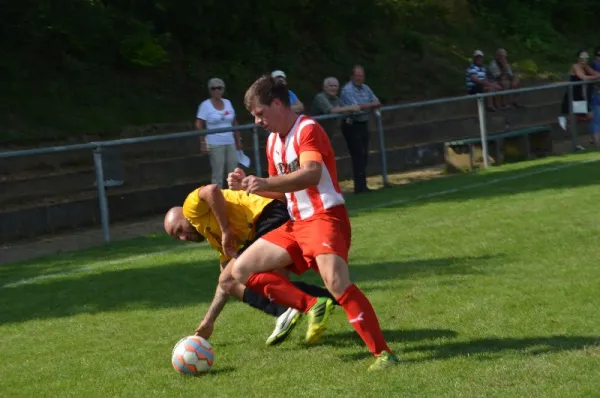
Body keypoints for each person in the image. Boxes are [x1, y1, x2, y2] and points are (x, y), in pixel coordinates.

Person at [227, 75, 399, 371]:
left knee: (336, 282)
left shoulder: (307, 129)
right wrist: (246, 186)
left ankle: (384, 354)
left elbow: (310, 173)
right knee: (240, 270)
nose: (257, 121)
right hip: (297, 224)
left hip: (325, 217)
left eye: (259, 113)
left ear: (278, 104)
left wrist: (263, 180)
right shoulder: (272, 142)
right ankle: (310, 304)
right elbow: (282, 190)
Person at [164, 184, 338, 345]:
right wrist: (208, 322)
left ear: (183, 216)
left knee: (238, 278)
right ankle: (339, 299)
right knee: (249, 282)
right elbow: (225, 285)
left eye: (179, 230)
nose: (183, 237)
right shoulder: (213, 236)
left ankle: (284, 310)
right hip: (264, 223)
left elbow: (212, 190)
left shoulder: (190, 207)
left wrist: (225, 229)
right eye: (177, 237)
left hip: (266, 215)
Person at [340, 65, 381, 194]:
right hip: (352, 124)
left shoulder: (366, 88)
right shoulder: (347, 90)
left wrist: (365, 106)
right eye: (357, 75)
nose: (360, 78)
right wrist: (368, 106)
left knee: (364, 154)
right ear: (352, 76)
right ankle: (359, 187)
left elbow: (376, 102)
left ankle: (363, 185)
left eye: (361, 75)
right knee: (357, 155)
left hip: (363, 123)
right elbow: (356, 107)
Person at [195, 78, 243, 188]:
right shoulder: (205, 105)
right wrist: (202, 142)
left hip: (230, 141)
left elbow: (234, 122)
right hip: (215, 143)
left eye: (219, 88)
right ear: (210, 90)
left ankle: (235, 196)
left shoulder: (228, 103)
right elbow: (199, 124)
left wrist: (238, 139)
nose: (217, 91)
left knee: (234, 171)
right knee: (218, 172)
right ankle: (217, 198)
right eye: (213, 88)